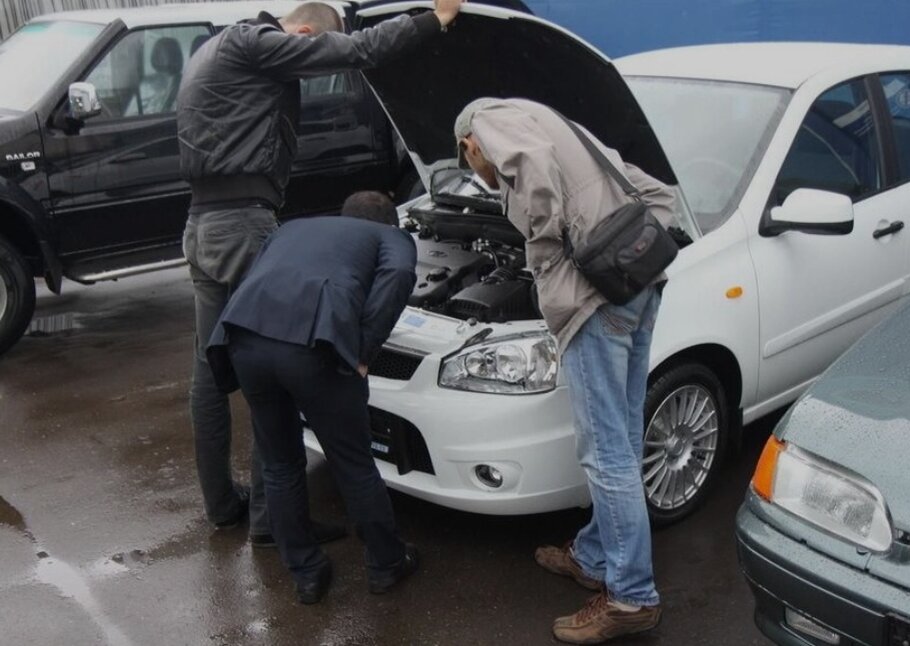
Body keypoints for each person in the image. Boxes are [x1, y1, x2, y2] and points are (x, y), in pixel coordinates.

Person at [176, 0, 464, 540]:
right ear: (303, 33)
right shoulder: (255, 44)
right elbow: (356, 50)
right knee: (276, 369)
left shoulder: (211, 49)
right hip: (241, 225)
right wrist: (435, 18)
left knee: (211, 373)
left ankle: (224, 506)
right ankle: (273, 522)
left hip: (202, 224)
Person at [453, 98, 678, 644]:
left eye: (474, 168)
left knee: (604, 454)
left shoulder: (487, 121)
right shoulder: (568, 129)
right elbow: (656, 194)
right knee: (620, 438)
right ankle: (597, 555)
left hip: (594, 302)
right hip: (638, 286)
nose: (483, 178)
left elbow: (531, 173)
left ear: (469, 145)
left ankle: (631, 597)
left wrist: (551, 255)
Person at [205, 191, 419, 604]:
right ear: (389, 222)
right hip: (313, 347)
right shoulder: (390, 237)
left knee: (281, 463)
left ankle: (306, 571)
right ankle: (386, 563)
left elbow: (262, 275)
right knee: (353, 462)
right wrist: (363, 351)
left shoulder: (296, 228)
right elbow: (396, 277)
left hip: (244, 338)